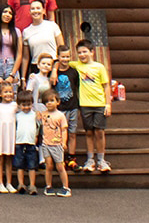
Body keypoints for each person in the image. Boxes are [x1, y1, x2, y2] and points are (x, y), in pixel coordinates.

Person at [68, 40, 113, 173]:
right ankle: (90, 159)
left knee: (99, 132)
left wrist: (108, 104)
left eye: (85, 52)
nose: (82, 55)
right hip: (85, 104)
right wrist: (53, 70)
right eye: (79, 53)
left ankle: (101, 160)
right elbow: (61, 62)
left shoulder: (99, 67)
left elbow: (106, 85)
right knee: (89, 132)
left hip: (99, 104)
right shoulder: (76, 65)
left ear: (92, 52)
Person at [52, 48, 83, 171]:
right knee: (58, 134)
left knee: (72, 133)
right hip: (59, 109)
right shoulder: (54, 72)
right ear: (58, 57)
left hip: (73, 106)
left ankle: (71, 158)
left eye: (67, 57)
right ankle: (59, 158)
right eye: (63, 57)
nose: (65, 59)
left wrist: (79, 107)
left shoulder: (74, 72)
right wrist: (54, 69)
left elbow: (77, 88)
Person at [17, 0, 64, 78]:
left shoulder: (52, 26)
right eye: (33, 9)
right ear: (29, 12)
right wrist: (23, 78)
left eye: (38, 8)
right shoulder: (26, 31)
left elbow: (61, 49)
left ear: (43, 10)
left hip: (53, 65)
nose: (35, 11)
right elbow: (26, 57)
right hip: (36, 67)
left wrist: (55, 69)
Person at [40, 89, 72, 197]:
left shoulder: (60, 115)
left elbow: (64, 129)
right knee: (48, 165)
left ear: (57, 102)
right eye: (46, 101)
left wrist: (64, 142)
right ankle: (48, 186)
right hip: (46, 143)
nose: (49, 103)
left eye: (52, 100)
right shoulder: (43, 114)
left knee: (59, 166)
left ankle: (66, 187)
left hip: (57, 144)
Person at [11, 91, 40, 195]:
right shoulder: (17, 116)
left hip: (31, 142)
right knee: (19, 165)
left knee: (32, 165)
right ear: (19, 105)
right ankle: (21, 184)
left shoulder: (34, 115)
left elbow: (38, 127)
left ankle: (32, 185)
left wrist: (36, 137)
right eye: (23, 105)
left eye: (28, 105)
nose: (26, 107)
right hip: (19, 142)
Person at [0, 81, 18, 193]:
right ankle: (0, 183)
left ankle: (9, 183)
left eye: (10, 92)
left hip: (10, 134)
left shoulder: (15, 105)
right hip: (0, 134)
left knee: (9, 159)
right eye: (5, 92)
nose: (8, 94)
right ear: (0, 94)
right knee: (0, 158)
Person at [0, 6, 20, 80]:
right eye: (5, 12)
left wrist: (12, 75)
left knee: (11, 91)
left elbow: (19, 55)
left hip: (11, 66)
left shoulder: (16, 31)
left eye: (10, 13)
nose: (7, 15)